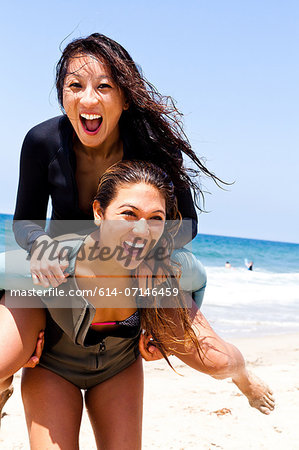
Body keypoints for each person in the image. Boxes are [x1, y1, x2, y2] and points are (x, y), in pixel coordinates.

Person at [1, 32, 212, 415]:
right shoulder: (42, 141)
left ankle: (239, 372)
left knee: (214, 355)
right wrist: (39, 245)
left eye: (103, 86)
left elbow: (188, 225)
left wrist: (156, 253)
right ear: (62, 94)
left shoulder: (151, 146)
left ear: (125, 97)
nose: (88, 99)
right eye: (75, 86)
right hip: (63, 271)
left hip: (127, 270)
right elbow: (24, 223)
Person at [2, 161, 274, 448]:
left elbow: (199, 280)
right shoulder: (58, 261)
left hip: (118, 366)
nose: (142, 230)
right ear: (99, 213)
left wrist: (163, 328)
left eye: (155, 218)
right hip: (53, 365)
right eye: (129, 214)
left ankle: (243, 376)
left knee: (219, 362)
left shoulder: (163, 268)